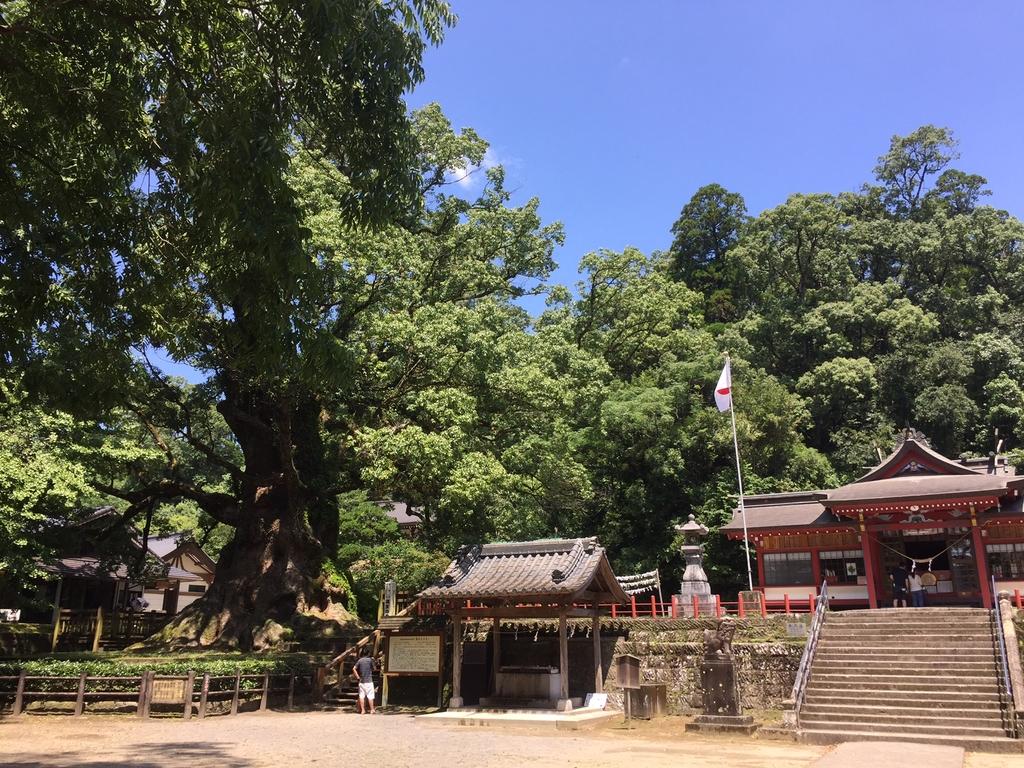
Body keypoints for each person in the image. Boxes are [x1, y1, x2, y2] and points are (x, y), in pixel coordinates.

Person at [352, 647, 376, 714]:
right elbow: (374, 669)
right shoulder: (370, 660)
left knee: (361, 696)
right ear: (368, 653)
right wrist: (374, 662)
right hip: (369, 680)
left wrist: (358, 677)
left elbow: (354, 668)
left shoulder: (360, 660)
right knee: (370, 696)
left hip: (361, 681)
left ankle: (363, 710)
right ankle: (372, 709)